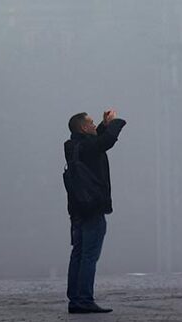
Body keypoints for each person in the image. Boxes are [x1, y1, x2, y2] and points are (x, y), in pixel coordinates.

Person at [65, 110, 126, 315]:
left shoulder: (73, 146)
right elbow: (105, 142)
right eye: (91, 123)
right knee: (89, 256)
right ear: (83, 127)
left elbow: (95, 141)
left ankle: (75, 299)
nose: (94, 125)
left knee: (78, 254)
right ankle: (84, 299)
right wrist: (115, 123)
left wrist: (103, 125)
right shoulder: (89, 147)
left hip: (78, 207)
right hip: (93, 207)